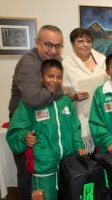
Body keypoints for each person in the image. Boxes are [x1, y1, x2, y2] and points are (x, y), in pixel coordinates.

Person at [6, 59, 86, 200]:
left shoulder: (66, 100)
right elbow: (14, 131)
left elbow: (74, 127)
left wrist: (79, 145)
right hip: (43, 167)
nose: (54, 81)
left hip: (67, 166)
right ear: (41, 77)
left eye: (59, 76)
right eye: (50, 76)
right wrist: (24, 137)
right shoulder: (30, 102)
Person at [8, 25, 64, 200]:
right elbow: (35, 99)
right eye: (48, 44)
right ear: (36, 43)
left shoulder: (53, 60)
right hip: (26, 124)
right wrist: (63, 91)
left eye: (58, 46)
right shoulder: (28, 63)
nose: (53, 50)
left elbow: (50, 90)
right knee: (28, 174)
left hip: (45, 124)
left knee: (50, 173)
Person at [62, 27, 107, 154]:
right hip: (81, 110)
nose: (85, 44)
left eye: (88, 41)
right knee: (87, 154)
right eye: (80, 41)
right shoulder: (66, 64)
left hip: (102, 109)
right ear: (72, 44)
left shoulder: (102, 59)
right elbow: (63, 92)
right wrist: (72, 96)